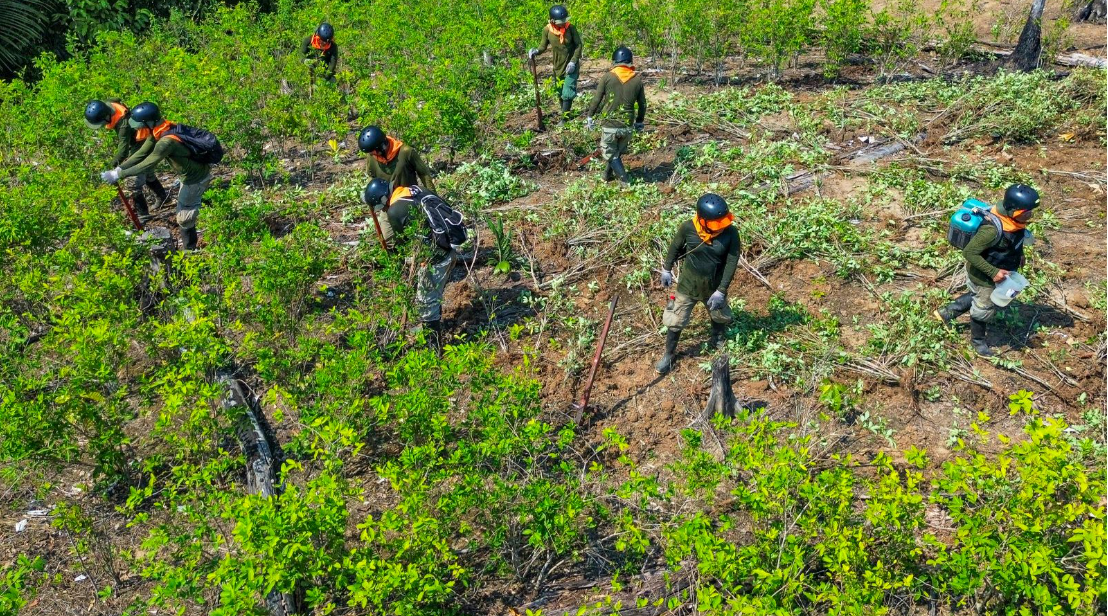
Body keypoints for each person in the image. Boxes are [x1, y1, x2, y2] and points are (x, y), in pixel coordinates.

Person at [934, 184, 1039, 356]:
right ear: (1013, 210)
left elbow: (1013, 240)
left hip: (1001, 271)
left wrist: (1019, 254)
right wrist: (993, 272)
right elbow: (969, 253)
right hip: (984, 276)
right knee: (983, 308)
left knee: (978, 296)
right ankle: (978, 343)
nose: (1031, 215)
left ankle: (945, 313)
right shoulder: (991, 230)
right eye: (1027, 212)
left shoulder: (1014, 223)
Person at [362, 178, 460, 354]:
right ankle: (429, 327)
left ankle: (434, 350)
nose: (383, 210)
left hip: (436, 257)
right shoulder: (415, 190)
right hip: (450, 246)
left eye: (381, 207)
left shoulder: (395, 211)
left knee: (425, 301)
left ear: (384, 199)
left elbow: (408, 241)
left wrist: (415, 261)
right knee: (431, 295)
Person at [99, 102, 213, 251]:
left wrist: (119, 174)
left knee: (184, 218)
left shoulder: (165, 142)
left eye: (140, 124)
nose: (137, 128)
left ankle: (189, 252)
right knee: (191, 205)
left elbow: (147, 164)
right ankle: (212, 209)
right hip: (194, 175)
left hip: (195, 179)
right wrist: (119, 168)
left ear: (149, 122)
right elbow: (141, 154)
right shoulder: (160, 129)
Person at [655, 194, 740, 374]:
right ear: (702, 220)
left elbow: (732, 262)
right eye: (716, 223)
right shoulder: (688, 228)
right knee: (675, 320)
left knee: (719, 315)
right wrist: (667, 269)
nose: (721, 227)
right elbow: (675, 247)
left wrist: (721, 291)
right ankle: (669, 354)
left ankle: (717, 339)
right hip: (688, 285)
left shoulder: (731, 233)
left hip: (713, 287)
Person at [85, 99, 167, 223]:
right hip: (141, 140)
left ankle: (143, 214)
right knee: (148, 172)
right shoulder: (109, 105)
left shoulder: (123, 125)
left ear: (107, 116)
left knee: (133, 181)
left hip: (144, 141)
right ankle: (163, 197)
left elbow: (123, 151)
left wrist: (111, 167)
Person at [584, 45, 646, 186]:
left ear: (614, 62)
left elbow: (597, 100)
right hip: (627, 126)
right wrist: (639, 122)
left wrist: (590, 116)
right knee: (615, 152)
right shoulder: (637, 80)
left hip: (610, 125)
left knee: (611, 154)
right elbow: (642, 104)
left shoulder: (607, 77)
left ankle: (625, 181)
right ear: (630, 61)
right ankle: (606, 175)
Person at [527, 5, 583, 124]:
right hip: (558, 66)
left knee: (567, 92)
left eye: (564, 21)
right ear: (552, 21)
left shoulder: (571, 28)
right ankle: (565, 112)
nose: (563, 24)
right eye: (559, 22)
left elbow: (579, 45)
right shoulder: (547, 30)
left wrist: (573, 61)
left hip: (571, 65)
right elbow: (543, 46)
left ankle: (564, 119)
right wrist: (536, 51)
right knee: (560, 91)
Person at [358, 126, 437, 193]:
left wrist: (433, 198)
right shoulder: (372, 157)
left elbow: (424, 174)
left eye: (373, 152)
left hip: (409, 199)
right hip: (388, 204)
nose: (371, 154)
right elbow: (372, 178)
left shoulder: (406, 152)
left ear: (382, 147)